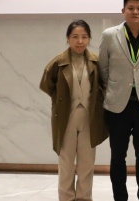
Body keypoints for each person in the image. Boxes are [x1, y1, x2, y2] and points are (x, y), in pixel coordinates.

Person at [99, 0, 139, 201]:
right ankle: (120, 196)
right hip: (117, 105)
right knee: (118, 155)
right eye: (131, 8)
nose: (135, 11)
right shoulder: (110, 35)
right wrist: (113, 90)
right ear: (123, 10)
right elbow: (103, 69)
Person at [40, 20, 108, 201]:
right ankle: (66, 197)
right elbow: (46, 85)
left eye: (84, 37)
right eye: (75, 37)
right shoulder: (58, 62)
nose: (80, 41)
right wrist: (61, 99)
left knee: (87, 162)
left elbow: (103, 85)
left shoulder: (95, 61)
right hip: (66, 117)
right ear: (68, 38)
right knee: (66, 162)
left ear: (89, 39)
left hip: (89, 117)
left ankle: (84, 197)